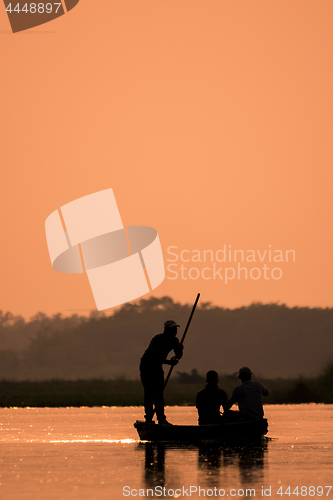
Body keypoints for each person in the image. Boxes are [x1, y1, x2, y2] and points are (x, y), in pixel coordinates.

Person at [140, 320, 183, 425]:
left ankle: (161, 419)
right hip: (147, 366)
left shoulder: (174, 340)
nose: (175, 331)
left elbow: (178, 356)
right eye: (173, 329)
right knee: (149, 393)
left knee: (159, 394)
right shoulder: (157, 339)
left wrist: (180, 350)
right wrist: (169, 362)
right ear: (166, 330)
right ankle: (149, 419)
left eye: (176, 329)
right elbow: (153, 357)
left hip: (158, 367)